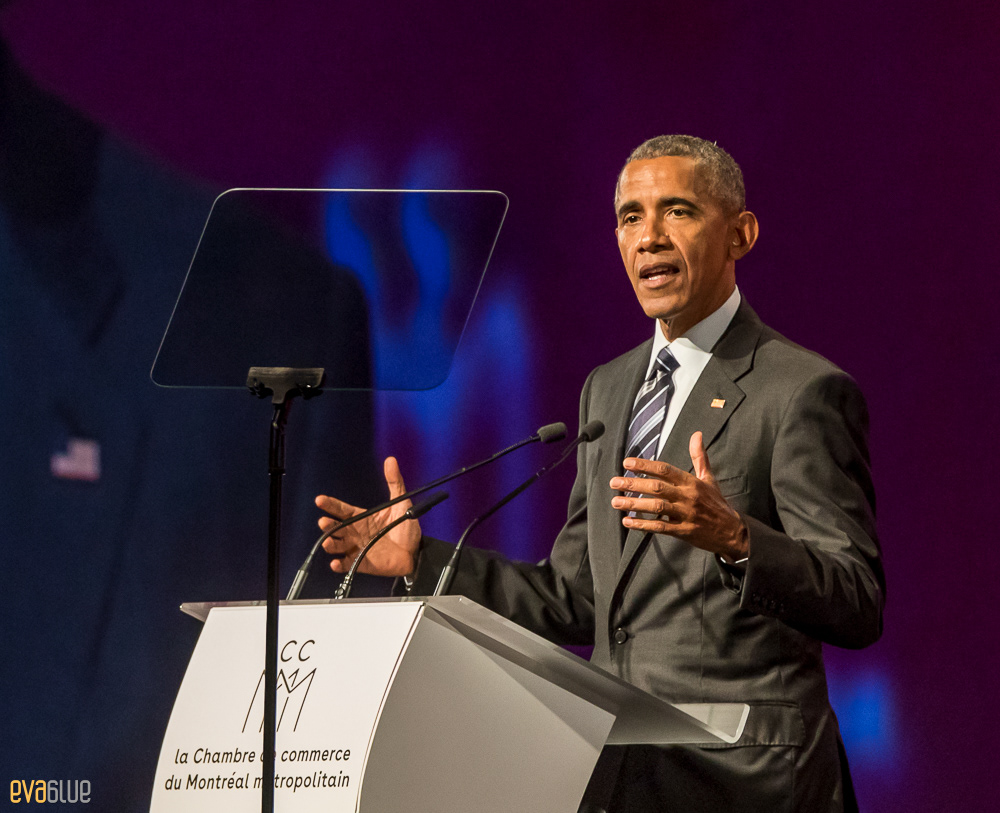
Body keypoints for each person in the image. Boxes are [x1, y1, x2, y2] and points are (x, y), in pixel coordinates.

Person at [315, 135, 885, 812]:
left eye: (677, 211)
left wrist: (736, 538)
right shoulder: (608, 390)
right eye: (630, 217)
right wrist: (425, 561)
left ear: (740, 234)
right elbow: (574, 597)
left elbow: (855, 597)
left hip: (749, 785)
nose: (649, 237)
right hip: (622, 779)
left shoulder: (802, 390)